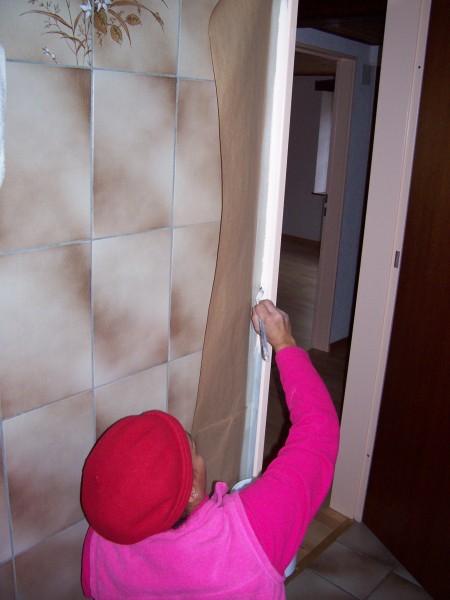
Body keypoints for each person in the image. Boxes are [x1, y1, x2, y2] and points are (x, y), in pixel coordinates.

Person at [80, 300, 340, 599]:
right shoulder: (251, 537)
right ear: (191, 492)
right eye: (194, 448)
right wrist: (285, 343)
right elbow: (318, 433)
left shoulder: (102, 546)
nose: (198, 450)